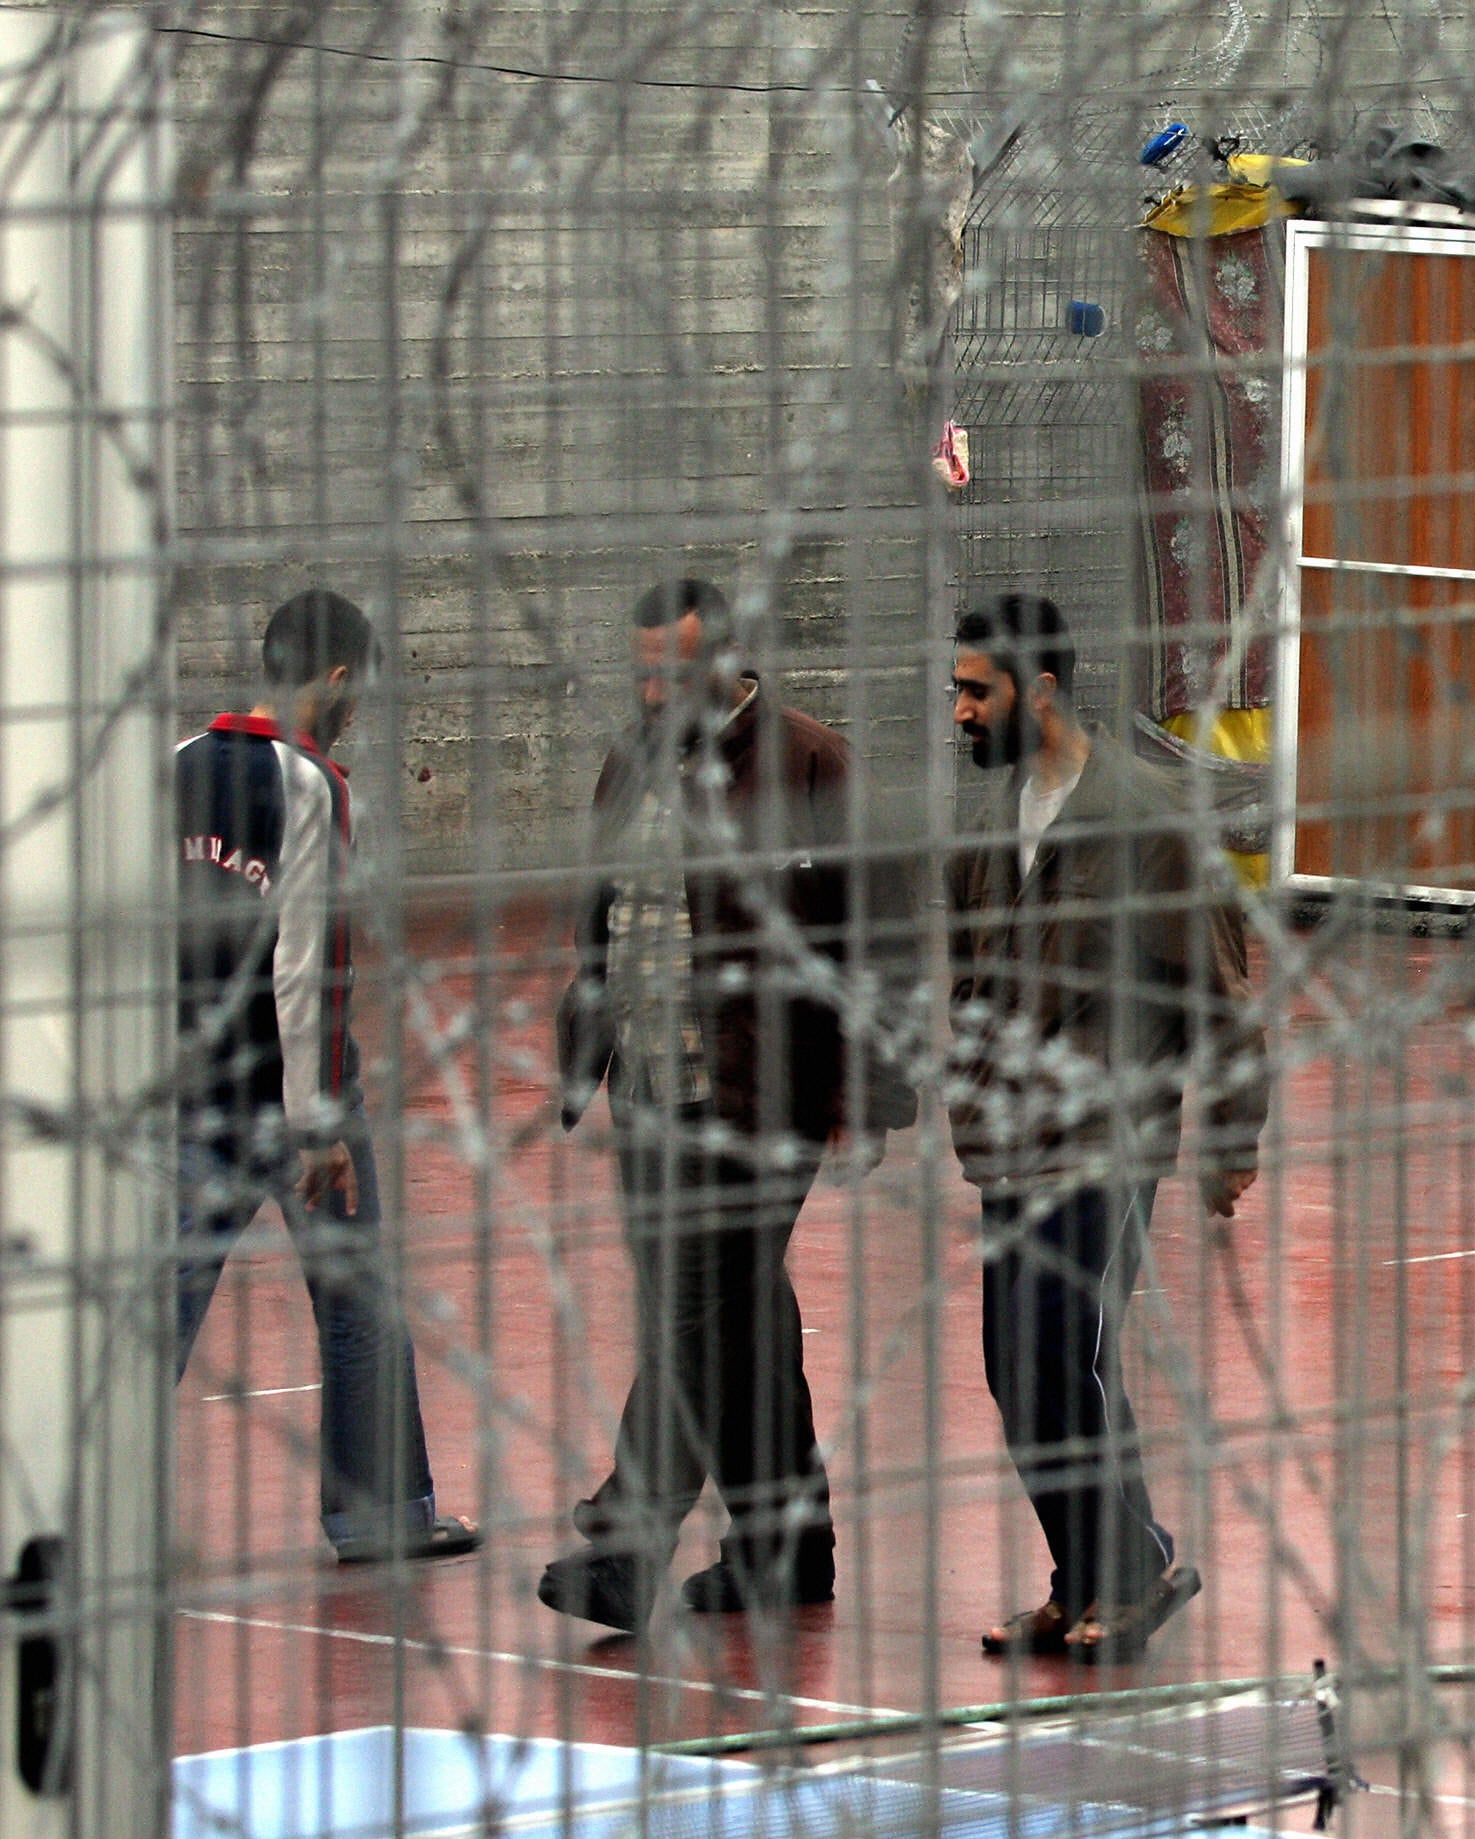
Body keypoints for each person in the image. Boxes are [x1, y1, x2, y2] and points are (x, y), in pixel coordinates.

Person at [539, 578, 918, 1632]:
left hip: (764, 1102)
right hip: (650, 1094)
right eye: (643, 671)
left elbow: (877, 943)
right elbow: (601, 916)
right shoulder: (630, 762)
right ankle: (787, 1551)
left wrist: (867, 1096)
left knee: (696, 1311)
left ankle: (628, 1538)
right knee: (732, 1326)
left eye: (676, 671)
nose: (656, 691)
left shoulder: (811, 764)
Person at [945, 592, 1269, 1663]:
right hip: (1010, 1143)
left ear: (1039, 691)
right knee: (1018, 1371)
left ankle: (1129, 1570)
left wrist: (1229, 1140)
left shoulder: (1146, 820)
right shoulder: (994, 823)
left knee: (1058, 1364)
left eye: (974, 691)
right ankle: (1090, 1573)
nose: (959, 712)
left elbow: (1218, 995)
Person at [175, 589, 483, 1565]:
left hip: (190, 1087)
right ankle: (380, 1516)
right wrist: (314, 1124)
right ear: (339, 677)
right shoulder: (310, 787)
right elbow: (307, 961)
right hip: (292, 1089)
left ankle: (92, 1516)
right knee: (355, 1305)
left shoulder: (175, 768)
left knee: (158, 1308)